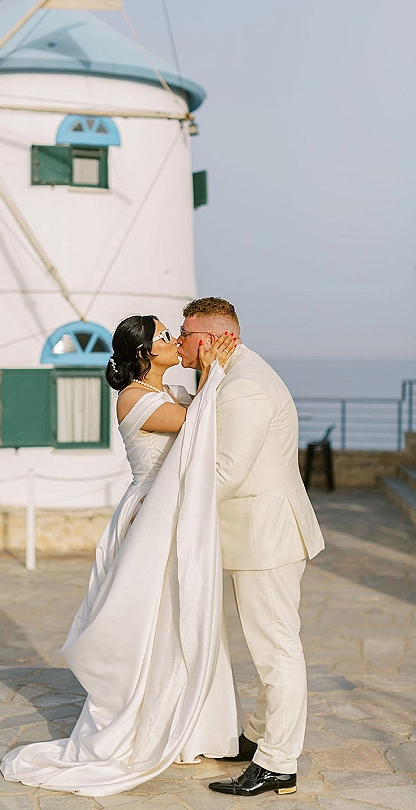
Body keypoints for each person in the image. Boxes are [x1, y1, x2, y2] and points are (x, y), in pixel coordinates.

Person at [0, 315, 241, 796]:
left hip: (174, 516)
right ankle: (137, 725)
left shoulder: (172, 393)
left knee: (179, 617)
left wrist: (215, 373)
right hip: (149, 520)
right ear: (144, 352)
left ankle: (188, 727)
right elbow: (201, 425)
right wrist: (214, 370)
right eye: (165, 336)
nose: (175, 341)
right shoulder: (134, 397)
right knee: (144, 625)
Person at [177, 298, 325, 798]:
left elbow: (224, 472)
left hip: (267, 536)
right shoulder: (228, 375)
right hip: (258, 533)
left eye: (188, 334)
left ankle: (279, 763)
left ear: (222, 338)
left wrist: (167, 515)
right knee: (269, 646)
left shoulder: (245, 387)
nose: (181, 342)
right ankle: (259, 738)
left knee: (276, 649)